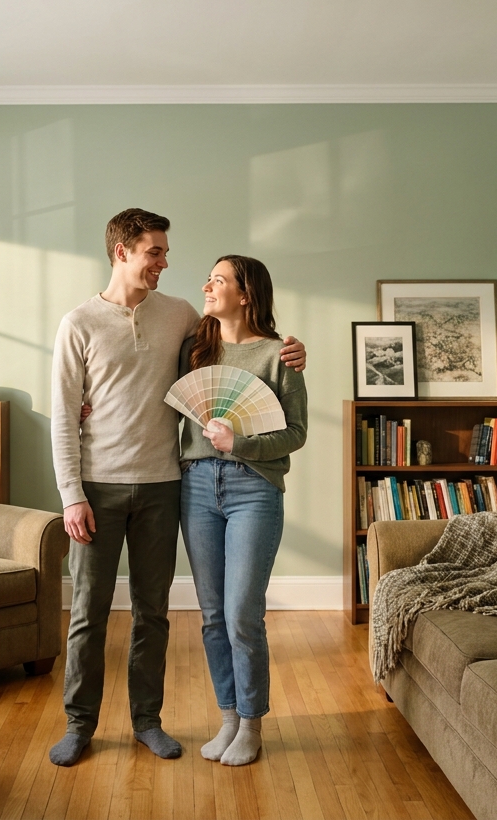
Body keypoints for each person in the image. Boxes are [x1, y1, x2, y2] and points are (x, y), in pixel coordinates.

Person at [48, 210, 306, 768]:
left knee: (153, 612)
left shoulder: (184, 318)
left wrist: (294, 352)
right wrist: (71, 494)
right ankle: (79, 724)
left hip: (168, 483)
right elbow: (64, 417)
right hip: (97, 487)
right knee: (89, 611)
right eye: (155, 253)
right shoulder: (79, 323)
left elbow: (240, 355)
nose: (166, 263)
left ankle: (148, 721)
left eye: (165, 252)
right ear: (122, 251)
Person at [178, 255, 307, 766]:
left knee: (241, 614)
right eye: (209, 278)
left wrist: (240, 444)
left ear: (246, 293)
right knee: (212, 615)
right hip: (194, 487)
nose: (207, 285)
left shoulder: (281, 356)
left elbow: (295, 432)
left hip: (254, 489)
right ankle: (227, 717)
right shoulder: (195, 350)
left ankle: (252, 724)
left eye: (219, 279)